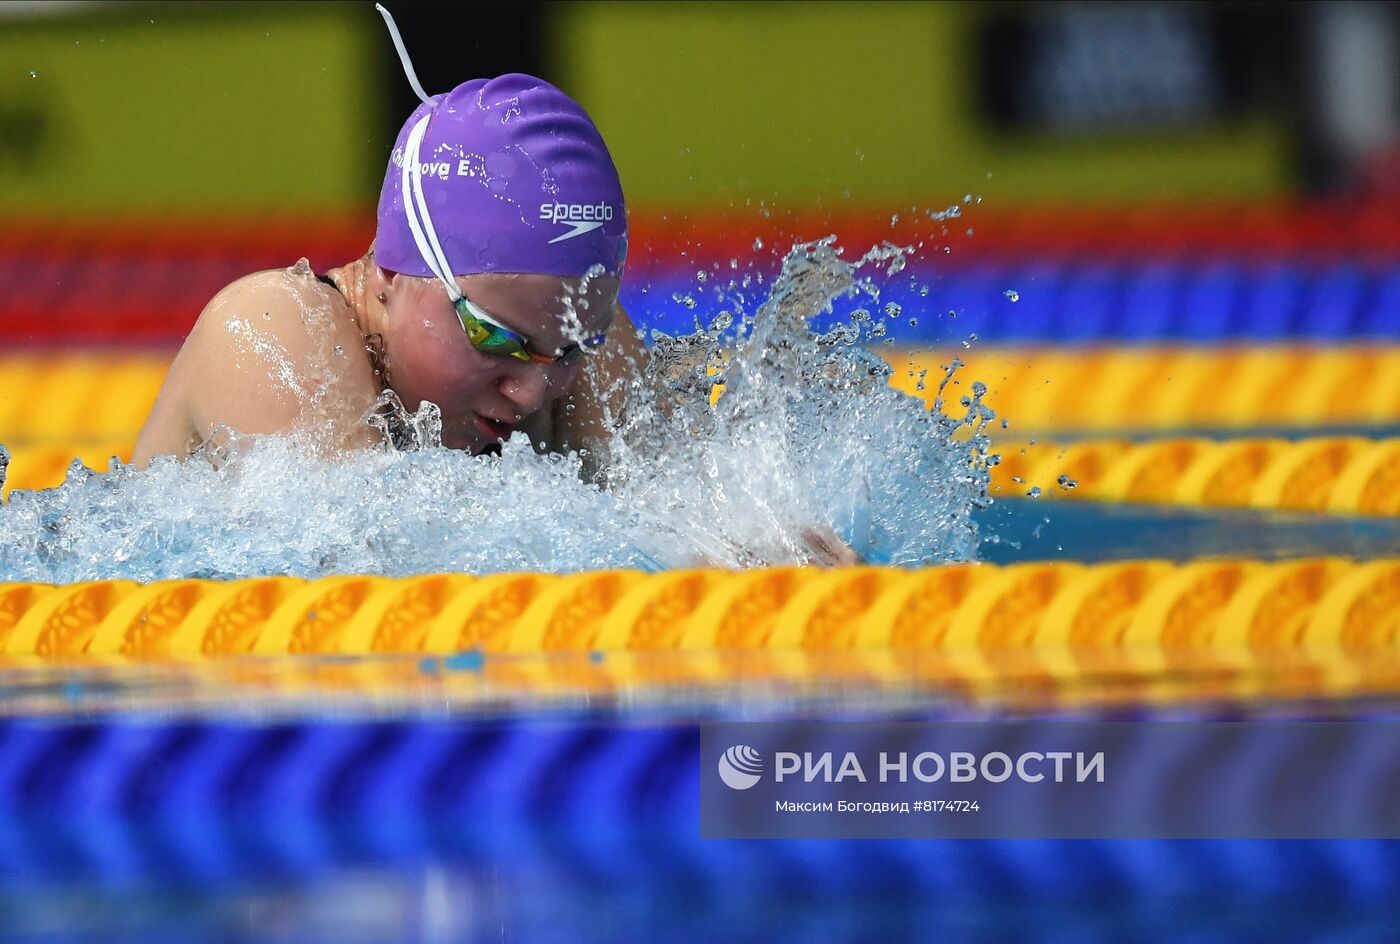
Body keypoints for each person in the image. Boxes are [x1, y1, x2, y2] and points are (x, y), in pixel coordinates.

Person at [134, 8, 640, 466]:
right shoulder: (274, 329)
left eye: (572, 352)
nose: (533, 393)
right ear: (391, 271)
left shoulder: (570, 332)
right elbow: (364, 566)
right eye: (494, 337)